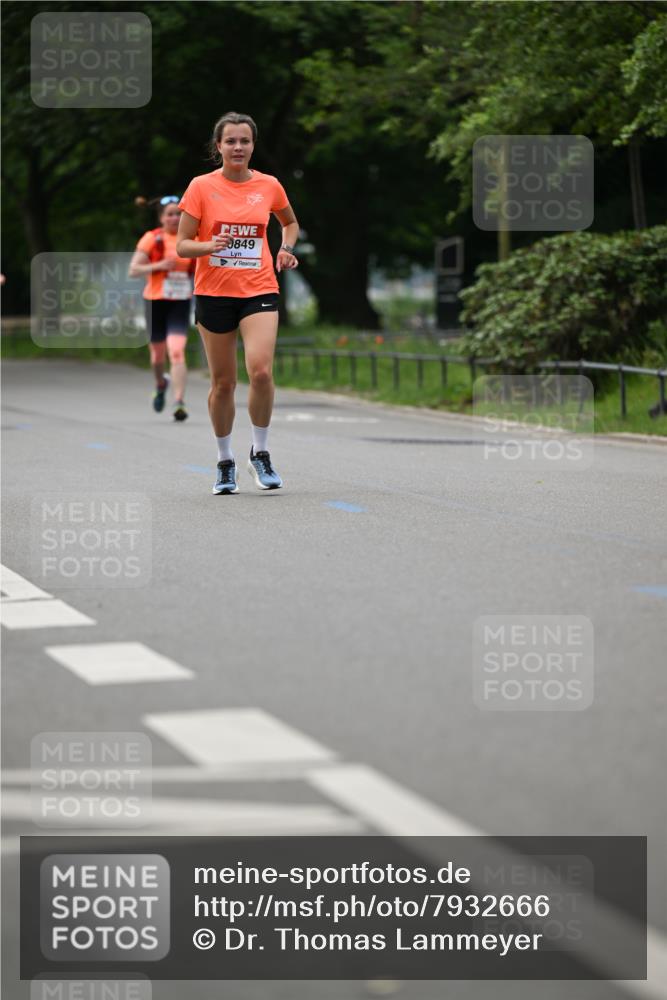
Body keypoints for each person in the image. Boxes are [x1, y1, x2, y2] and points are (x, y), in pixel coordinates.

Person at [176, 111, 299, 494]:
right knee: (224, 383)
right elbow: (183, 245)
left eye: (244, 140)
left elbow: (289, 222)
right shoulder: (201, 187)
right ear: (219, 146)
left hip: (258, 288)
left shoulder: (269, 185)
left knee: (260, 372)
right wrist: (208, 245)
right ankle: (224, 461)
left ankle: (259, 453)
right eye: (230, 141)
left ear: (253, 145)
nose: (238, 147)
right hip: (214, 293)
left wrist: (286, 249)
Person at [129, 196, 195, 421]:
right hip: (155, 301)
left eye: (179, 214)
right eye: (170, 214)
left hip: (180, 301)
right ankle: (160, 384)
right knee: (157, 356)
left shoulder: (192, 238)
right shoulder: (152, 238)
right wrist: (158, 265)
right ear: (161, 218)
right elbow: (133, 270)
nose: (175, 218)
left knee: (176, 351)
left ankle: (179, 402)